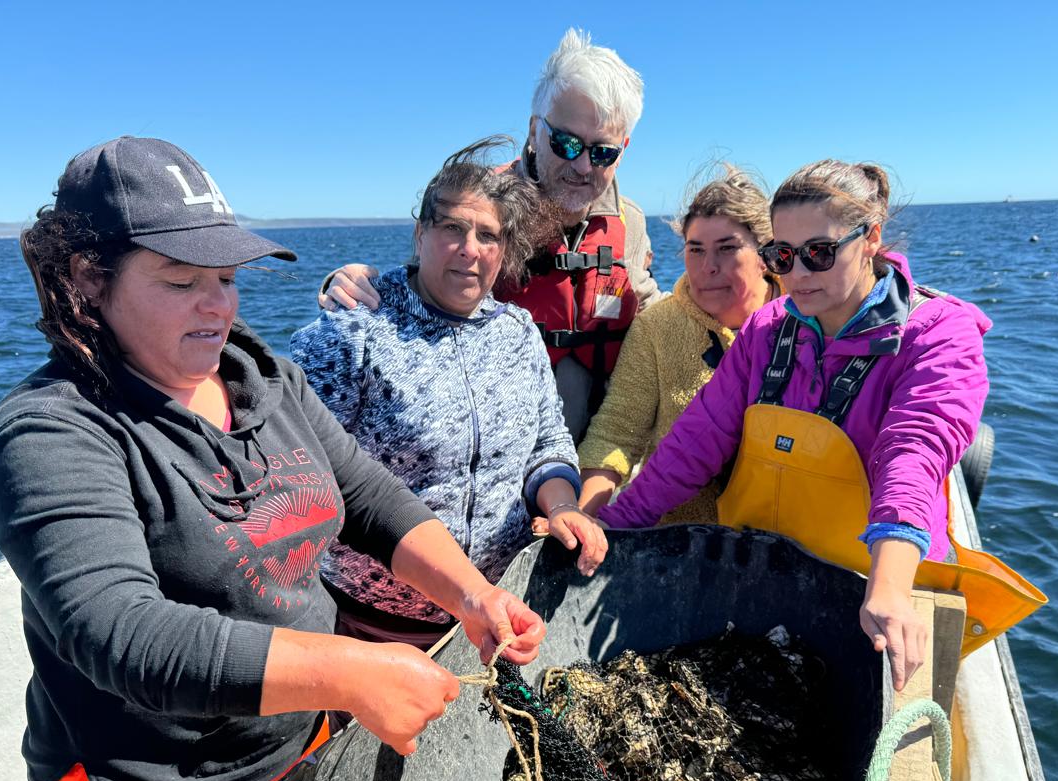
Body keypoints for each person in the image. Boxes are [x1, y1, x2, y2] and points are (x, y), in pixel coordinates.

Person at [0, 136, 547, 781]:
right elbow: (119, 632)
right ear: (85, 282)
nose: (218, 308)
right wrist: (350, 673)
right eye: (180, 282)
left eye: (228, 280)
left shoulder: (265, 378)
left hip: (299, 739)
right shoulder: (49, 431)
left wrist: (471, 595)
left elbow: (368, 498)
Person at [600, 159, 1043, 690]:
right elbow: (694, 443)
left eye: (820, 253)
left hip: (878, 584)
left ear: (871, 237)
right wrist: (612, 525)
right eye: (782, 257)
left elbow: (914, 452)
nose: (798, 275)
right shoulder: (767, 329)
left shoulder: (939, 335)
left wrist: (889, 585)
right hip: (765, 583)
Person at [291, 138, 607, 647]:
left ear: (505, 252)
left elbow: (547, 442)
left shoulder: (519, 331)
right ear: (419, 235)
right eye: (453, 228)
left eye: (488, 234)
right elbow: (299, 478)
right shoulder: (356, 329)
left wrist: (563, 507)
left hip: (500, 610)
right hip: (372, 623)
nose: (470, 248)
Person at [319, 29, 665, 441]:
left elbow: (646, 306)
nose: (584, 167)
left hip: (597, 458)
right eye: (568, 143)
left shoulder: (631, 221)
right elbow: (418, 289)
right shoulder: (479, 206)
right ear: (535, 129)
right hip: (496, 461)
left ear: (623, 148)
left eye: (603, 151)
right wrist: (350, 283)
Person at [577, 165, 780, 523]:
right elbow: (616, 433)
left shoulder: (803, 322)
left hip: (783, 539)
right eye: (696, 249)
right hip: (678, 543)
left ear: (765, 254)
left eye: (727, 248)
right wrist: (585, 518)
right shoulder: (658, 328)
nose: (708, 267)